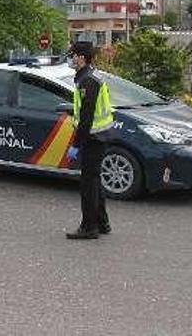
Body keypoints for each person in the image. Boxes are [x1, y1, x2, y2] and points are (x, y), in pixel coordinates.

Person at [66, 41, 113, 240]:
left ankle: (89, 227)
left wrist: (76, 144)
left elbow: (86, 117)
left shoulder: (88, 81)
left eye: (73, 54)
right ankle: (102, 223)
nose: (71, 58)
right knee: (94, 181)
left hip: (93, 137)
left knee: (88, 184)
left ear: (82, 58)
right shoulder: (89, 76)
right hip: (98, 135)